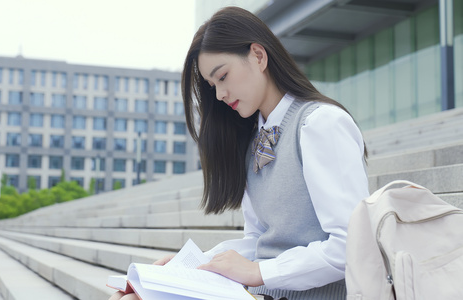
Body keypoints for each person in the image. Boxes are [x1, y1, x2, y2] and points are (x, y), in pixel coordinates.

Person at [109, 6, 369, 300]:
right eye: (212, 85)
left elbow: (351, 245)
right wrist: (197, 265)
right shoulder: (252, 139)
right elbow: (258, 240)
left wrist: (259, 272)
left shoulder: (321, 123)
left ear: (258, 56)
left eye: (223, 77)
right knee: (127, 296)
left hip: (314, 294)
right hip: (264, 292)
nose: (219, 94)